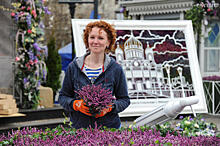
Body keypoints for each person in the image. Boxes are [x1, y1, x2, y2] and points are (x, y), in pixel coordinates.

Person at [58, 20, 130, 129]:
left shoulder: (116, 69)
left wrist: (110, 107)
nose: (95, 41)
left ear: (108, 42)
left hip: (109, 128)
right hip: (80, 128)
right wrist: (77, 105)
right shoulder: (74, 67)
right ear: (87, 40)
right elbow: (63, 97)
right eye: (92, 37)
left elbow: (124, 100)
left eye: (101, 38)